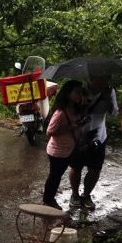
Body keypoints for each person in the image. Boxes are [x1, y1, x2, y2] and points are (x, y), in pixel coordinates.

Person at [68, 75, 119, 210]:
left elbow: (114, 113)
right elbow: (70, 108)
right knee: (76, 166)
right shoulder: (81, 89)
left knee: (95, 168)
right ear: (91, 78)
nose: (103, 81)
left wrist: (107, 98)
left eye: (105, 78)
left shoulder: (109, 91)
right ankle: (74, 194)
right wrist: (83, 102)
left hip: (99, 135)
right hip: (79, 133)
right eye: (99, 77)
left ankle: (86, 195)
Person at [42, 81, 85, 210]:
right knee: (54, 177)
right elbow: (49, 132)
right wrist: (70, 128)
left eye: (81, 92)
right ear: (68, 94)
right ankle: (48, 200)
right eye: (77, 92)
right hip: (57, 151)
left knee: (56, 176)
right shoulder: (60, 113)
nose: (80, 95)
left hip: (68, 149)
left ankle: (49, 197)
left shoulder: (75, 109)